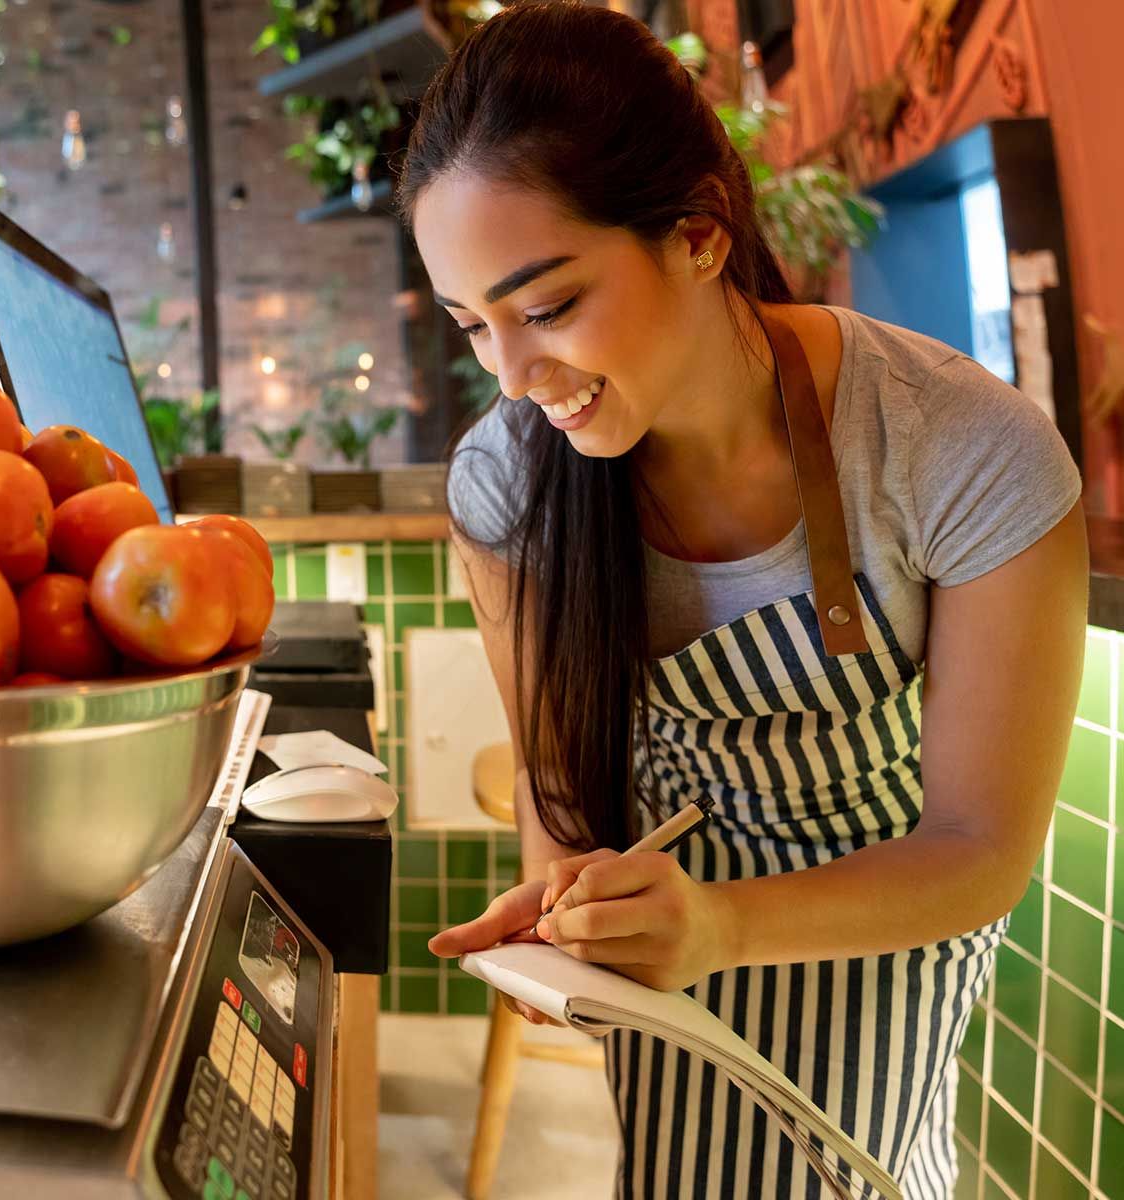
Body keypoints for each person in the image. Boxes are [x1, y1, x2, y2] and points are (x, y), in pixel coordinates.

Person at [406, 4, 1087, 1197]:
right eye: (474, 326)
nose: (512, 378)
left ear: (701, 235)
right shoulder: (506, 482)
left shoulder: (963, 449)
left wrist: (724, 925)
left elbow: (980, 851)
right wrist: (566, 914)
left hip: (882, 935)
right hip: (670, 964)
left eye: (548, 307)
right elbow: (560, 786)